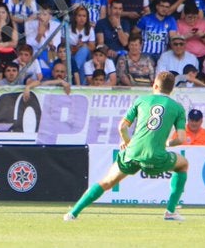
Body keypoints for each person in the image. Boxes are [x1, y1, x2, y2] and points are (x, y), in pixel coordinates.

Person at [64, 71, 188, 221]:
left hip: (131, 152)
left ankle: (73, 213)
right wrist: (168, 143)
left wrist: (127, 141)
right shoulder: (178, 108)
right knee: (183, 164)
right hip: (155, 155)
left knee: (106, 181)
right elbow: (181, 139)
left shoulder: (141, 100)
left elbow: (122, 126)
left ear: (154, 85)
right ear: (172, 89)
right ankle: (170, 211)